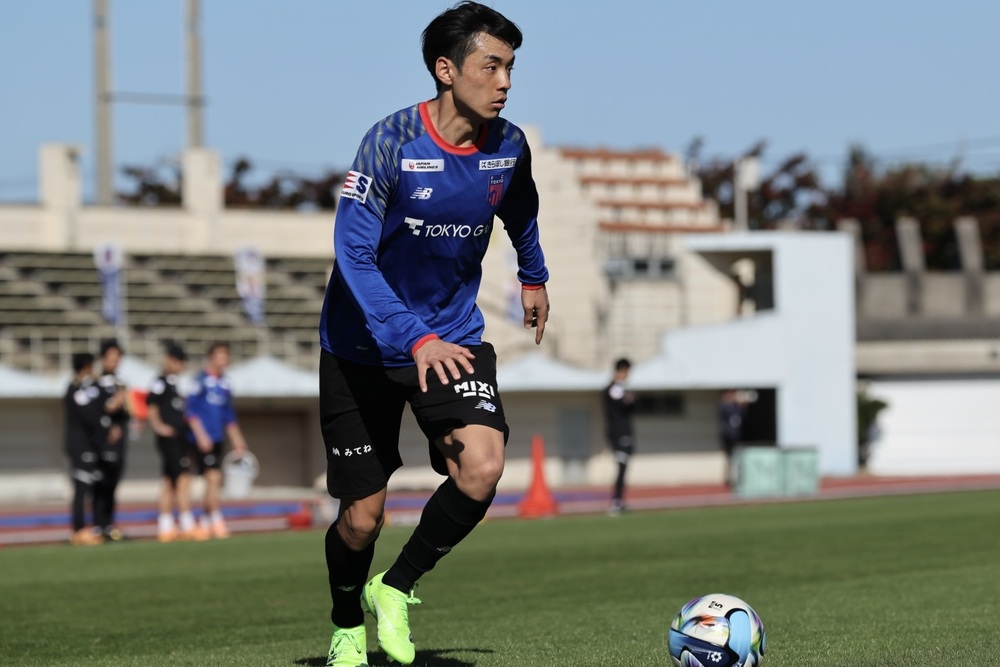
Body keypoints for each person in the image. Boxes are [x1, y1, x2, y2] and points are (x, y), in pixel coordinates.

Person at [317, 3, 550, 664]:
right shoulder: (389, 142)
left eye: (510, 67)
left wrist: (534, 275)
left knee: (482, 468)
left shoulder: (509, 146)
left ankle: (395, 587)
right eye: (491, 66)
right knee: (361, 518)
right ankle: (345, 623)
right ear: (446, 70)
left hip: (453, 334)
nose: (505, 82)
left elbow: (522, 209)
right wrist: (411, 337)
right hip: (362, 345)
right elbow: (352, 253)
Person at [185, 341, 249, 539]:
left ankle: (205, 522)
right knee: (213, 478)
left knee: (213, 480)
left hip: (217, 438)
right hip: (202, 439)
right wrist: (201, 435)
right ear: (211, 357)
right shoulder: (200, 381)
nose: (223, 359)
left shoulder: (225, 384)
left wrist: (238, 440)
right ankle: (215, 519)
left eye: (226, 356)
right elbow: (190, 411)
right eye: (220, 355)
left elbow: (229, 417)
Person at [63, 352, 120, 546]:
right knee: (81, 486)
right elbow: (89, 415)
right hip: (80, 446)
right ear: (86, 366)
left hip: (90, 445)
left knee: (93, 486)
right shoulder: (75, 389)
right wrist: (106, 429)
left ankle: (96, 525)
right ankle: (78, 529)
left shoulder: (89, 387)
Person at [146, 342, 201, 542]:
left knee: (169, 480)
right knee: (183, 478)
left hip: (179, 438)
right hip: (170, 439)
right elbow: (151, 406)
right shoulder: (160, 382)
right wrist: (159, 426)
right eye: (177, 361)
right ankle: (187, 523)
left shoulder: (176, 383)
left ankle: (166, 525)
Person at [94, 339, 129, 542]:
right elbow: (98, 411)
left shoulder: (120, 383)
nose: (114, 361)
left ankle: (108, 524)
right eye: (111, 357)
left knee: (114, 482)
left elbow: (126, 412)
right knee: (101, 482)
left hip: (119, 442)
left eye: (117, 358)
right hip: (103, 441)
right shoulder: (97, 383)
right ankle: (98, 525)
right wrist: (114, 406)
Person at [602, 357, 635, 516]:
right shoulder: (614, 389)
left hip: (623, 432)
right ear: (621, 371)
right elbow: (622, 406)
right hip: (619, 433)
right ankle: (616, 501)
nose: (628, 375)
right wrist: (628, 401)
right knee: (621, 468)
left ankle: (619, 500)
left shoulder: (621, 389)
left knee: (623, 467)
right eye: (626, 371)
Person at [718, 390, 746, 487]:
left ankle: (736, 478)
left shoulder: (736, 408)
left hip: (736, 436)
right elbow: (725, 410)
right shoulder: (724, 406)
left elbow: (740, 416)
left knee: (736, 458)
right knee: (729, 458)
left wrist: (742, 404)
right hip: (728, 436)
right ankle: (728, 478)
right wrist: (731, 400)